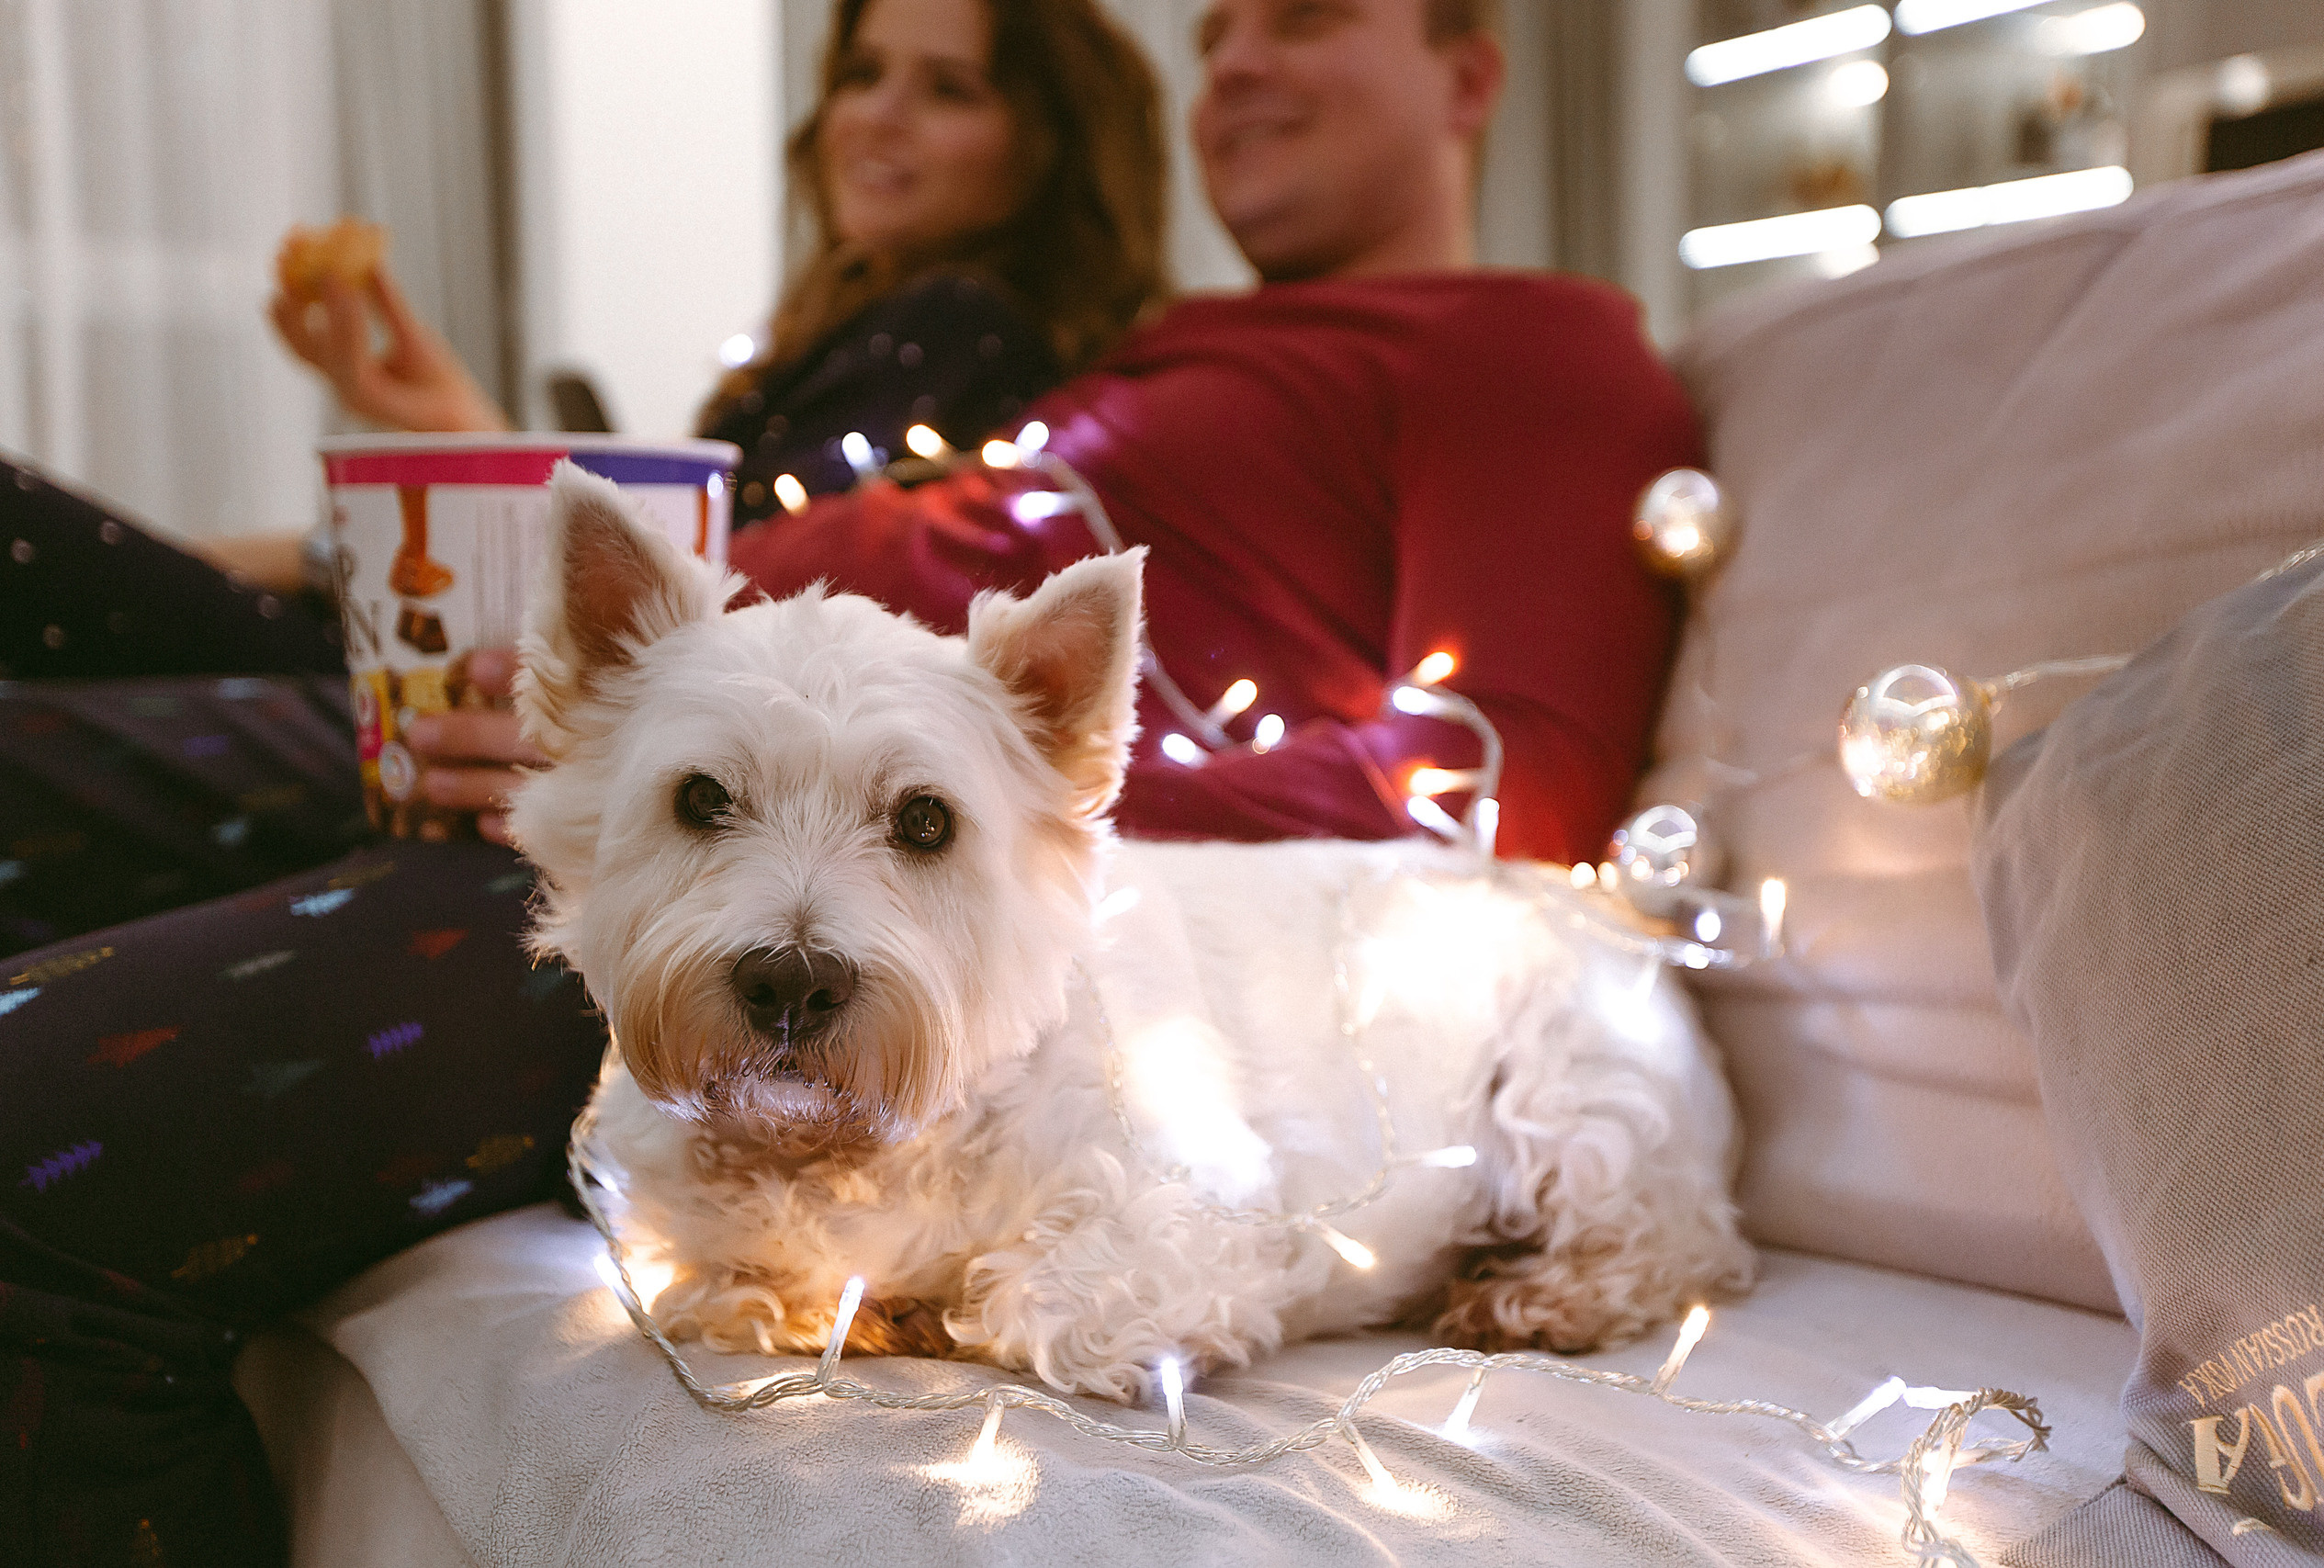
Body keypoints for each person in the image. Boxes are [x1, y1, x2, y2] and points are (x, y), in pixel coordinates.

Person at [0, 2, 1699, 1562]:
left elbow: (1514, 771)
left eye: (1306, 15)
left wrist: (973, 764)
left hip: (682, 824)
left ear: (1474, 73)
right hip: (639, 743)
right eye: (1219, 26)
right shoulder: (1140, 356)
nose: (1235, 60)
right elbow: (741, 592)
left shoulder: (1529, 342)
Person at [267, 0, 1166, 515]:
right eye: (861, 73)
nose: (877, 116)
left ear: (1050, 149)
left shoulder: (962, 325)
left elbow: (703, 589)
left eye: (947, 89)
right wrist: (451, 416)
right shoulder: (886, 324)